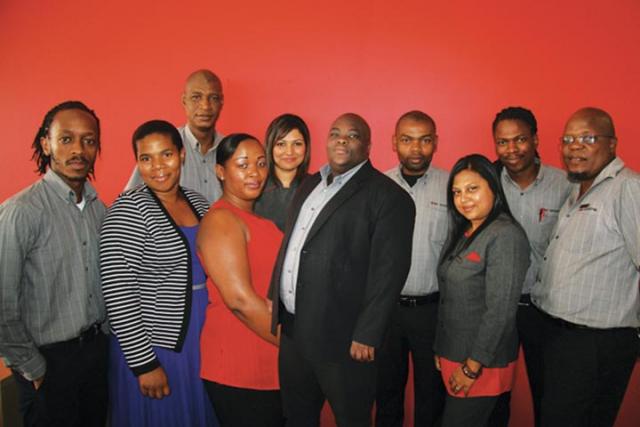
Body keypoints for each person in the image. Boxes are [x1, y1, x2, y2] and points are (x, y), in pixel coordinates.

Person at [270, 113, 416, 426]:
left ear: (368, 146)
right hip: (294, 331)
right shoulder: (310, 183)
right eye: (335, 133)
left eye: (353, 135)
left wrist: (368, 333)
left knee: (352, 419)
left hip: (344, 339)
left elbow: (389, 273)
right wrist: (276, 300)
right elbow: (293, 245)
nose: (342, 140)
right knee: (296, 417)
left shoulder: (389, 197)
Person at [100, 120, 216, 426]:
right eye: (146, 158)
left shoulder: (199, 202)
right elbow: (118, 293)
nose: (157, 167)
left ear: (181, 154)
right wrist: (144, 364)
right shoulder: (128, 210)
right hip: (157, 345)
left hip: (201, 336)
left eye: (166, 154)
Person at [0, 101, 108, 426]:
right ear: (46, 144)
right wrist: (31, 366)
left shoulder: (100, 210)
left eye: (88, 140)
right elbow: (3, 301)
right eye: (66, 139)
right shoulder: (21, 212)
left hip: (96, 355)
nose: (78, 150)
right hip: (47, 362)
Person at [531, 107, 640, 427]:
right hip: (560, 336)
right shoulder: (578, 187)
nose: (574, 146)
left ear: (612, 144)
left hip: (595, 343)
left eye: (587, 138)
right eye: (568, 139)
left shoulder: (627, 188)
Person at [487, 107, 572, 427]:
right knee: (494, 397)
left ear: (535, 139)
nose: (512, 149)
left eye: (520, 139)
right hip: (497, 306)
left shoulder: (565, 184)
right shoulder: (487, 183)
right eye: (502, 142)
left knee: (548, 395)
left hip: (545, 310)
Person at [434, 154, 530, 427]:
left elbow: (500, 311)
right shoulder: (465, 230)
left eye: (472, 189)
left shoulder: (505, 235)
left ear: (493, 188)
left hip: (480, 362)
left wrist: (472, 367)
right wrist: (440, 347)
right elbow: (449, 296)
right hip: (454, 352)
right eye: (457, 192)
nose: (463, 198)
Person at [197, 133, 284, 426]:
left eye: (261, 163)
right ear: (221, 171)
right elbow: (239, 300)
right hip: (239, 365)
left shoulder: (261, 222)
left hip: (270, 358)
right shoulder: (222, 219)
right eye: (243, 164)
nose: (254, 173)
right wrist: (298, 345)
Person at [376, 111, 447, 427]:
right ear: (394, 142)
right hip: (387, 311)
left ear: (435, 142)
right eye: (407, 139)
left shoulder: (452, 186)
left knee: (431, 397)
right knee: (386, 393)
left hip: (432, 311)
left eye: (424, 140)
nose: (416, 149)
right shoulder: (378, 186)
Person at [125, 69, 225, 203]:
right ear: (184, 101)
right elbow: (130, 199)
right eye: (196, 97)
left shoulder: (231, 150)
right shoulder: (165, 145)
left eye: (213, 98)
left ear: (221, 102)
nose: (205, 106)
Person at [254, 114, 311, 231]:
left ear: (306, 147)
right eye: (281, 144)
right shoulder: (255, 186)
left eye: (297, 144)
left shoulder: (316, 187)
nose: (289, 152)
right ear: (270, 146)